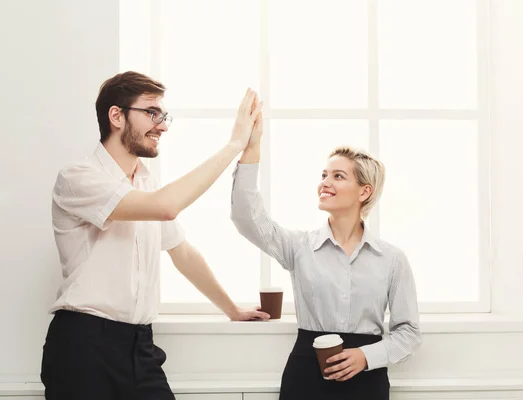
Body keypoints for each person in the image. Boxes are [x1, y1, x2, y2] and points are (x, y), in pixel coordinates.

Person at [41, 71, 269, 400]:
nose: (161, 125)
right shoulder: (78, 177)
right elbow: (166, 207)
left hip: (139, 347)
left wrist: (232, 310)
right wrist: (234, 144)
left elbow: (182, 252)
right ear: (116, 116)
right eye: (151, 113)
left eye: (163, 116)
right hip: (84, 345)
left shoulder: (146, 182)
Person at [230, 107, 422, 399]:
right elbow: (246, 218)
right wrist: (251, 147)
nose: (325, 182)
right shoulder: (299, 247)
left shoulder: (392, 259)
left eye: (338, 176)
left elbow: (408, 333)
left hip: (366, 382)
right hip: (306, 378)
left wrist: (366, 357)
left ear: (364, 192)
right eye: (324, 174)